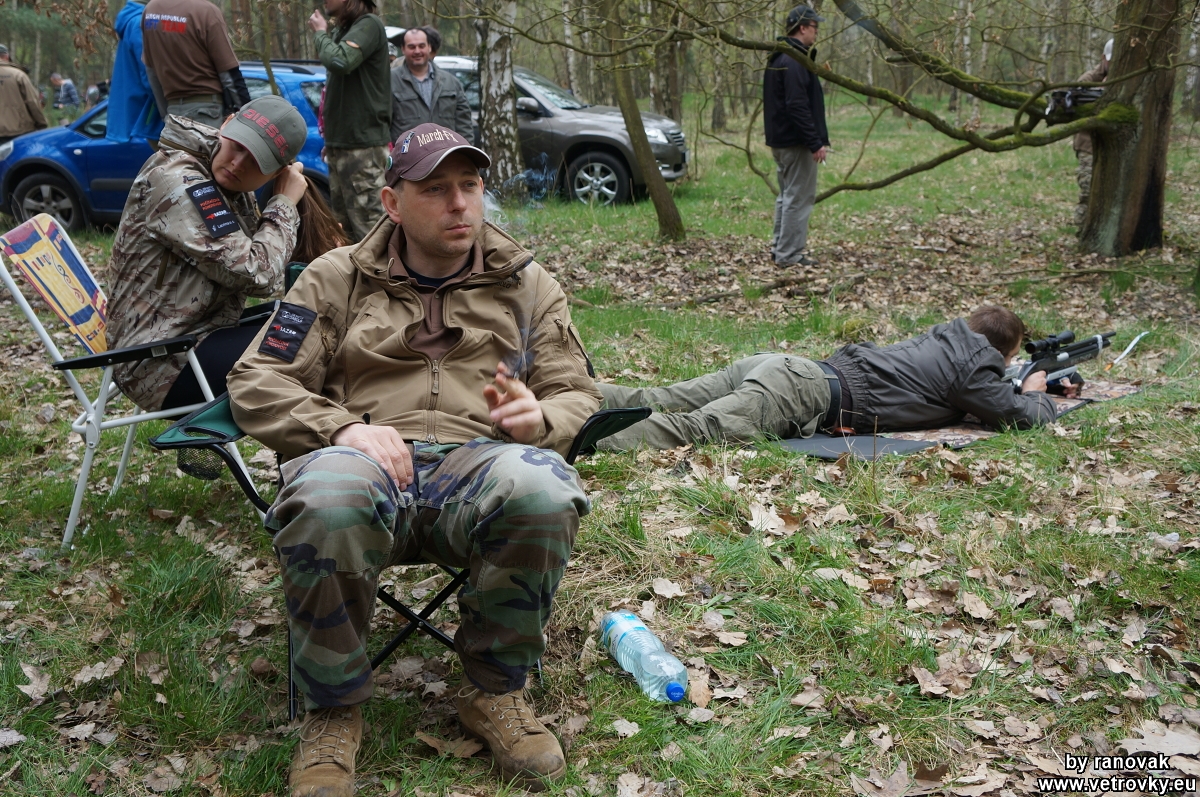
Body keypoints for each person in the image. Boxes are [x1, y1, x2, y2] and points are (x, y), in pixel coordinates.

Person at [226, 123, 600, 796]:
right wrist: (340, 427)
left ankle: (494, 690)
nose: (459, 203)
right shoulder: (335, 278)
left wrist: (541, 418)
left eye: (470, 185)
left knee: (543, 488)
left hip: (479, 465)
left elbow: (577, 390)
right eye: (435, 189)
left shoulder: (526, 283)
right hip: (367, 459)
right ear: (392, 203)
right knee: (328, 494)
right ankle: (333, 711)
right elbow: (257, 379)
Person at [596, 306, 1067, 452]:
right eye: (1010, 359)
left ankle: (568, 393)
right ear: (1001, 353)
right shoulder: (975, 366)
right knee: (694, 430)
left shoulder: (946, 341)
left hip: (786, 367)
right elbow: (1017, 415)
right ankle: (573, 433)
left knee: (660, 396)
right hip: (800, 392)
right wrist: (1036, 389)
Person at [106, 95, 309, 413]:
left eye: (256, 161)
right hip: (159, 363)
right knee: (305, 353)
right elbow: (257, 273)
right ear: (226, 125)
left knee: (310, 327)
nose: (238, 163)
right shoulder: (178, 181)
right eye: (238, 146)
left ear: (275, 174)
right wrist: (283, 204)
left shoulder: (223, 182)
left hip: (200, 337)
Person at [308, 0, 391, 243]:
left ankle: (385, 269)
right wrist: (333, 140)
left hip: (362, 146)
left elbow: (340, 61)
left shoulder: (369, 25)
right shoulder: (345, 30)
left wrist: (320, 33)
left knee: (370, 228)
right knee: (345, 230)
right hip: (341, 144)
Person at [763, 5, 829, 268]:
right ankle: (788, 254)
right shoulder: (793, 60)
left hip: (782, 140)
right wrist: (815, 142)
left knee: (787, 196)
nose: (817, 32)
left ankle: (780, 248)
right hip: (795, 142)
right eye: (814, 27)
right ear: (802, 28)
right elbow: (797, 105)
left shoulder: (781, 56)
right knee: (798, 198)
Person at [141, 0, 251, 127]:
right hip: (207, 114)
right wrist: (248, 119)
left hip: (173, 115)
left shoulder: (151, 10)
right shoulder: (206, 11)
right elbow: (229, 75)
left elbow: (151, 72)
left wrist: (165, 115)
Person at [389, 26, 474, 144]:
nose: (417, 51)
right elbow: (380, 124)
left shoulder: (451, 83)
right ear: (403, 49)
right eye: (411, 47)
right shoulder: (389, 81)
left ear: (429, 47)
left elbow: (464, 125)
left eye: (421, 46)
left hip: (446, 152)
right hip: (408, 154)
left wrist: (466, 152)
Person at [107, 0, 164, 144]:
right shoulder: (142, 23)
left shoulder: (136, 20)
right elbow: (149, 72)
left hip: (141, 113)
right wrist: (168, 109)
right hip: (148, 115)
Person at [1073, 38, 1112, 228]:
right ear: (1103, 58)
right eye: (1111, 61)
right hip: (1087, 143)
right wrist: (1102, 91)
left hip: (1113, 145)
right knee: (1088, 189)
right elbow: (1077, 104)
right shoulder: (1088, 79)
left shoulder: (1129, 80)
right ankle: (1083, 229)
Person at [0, 45, 48, 143]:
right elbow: (32, 102)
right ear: (6, 56)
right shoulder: (18, 75)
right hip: (18, 132)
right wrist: (42, 124)